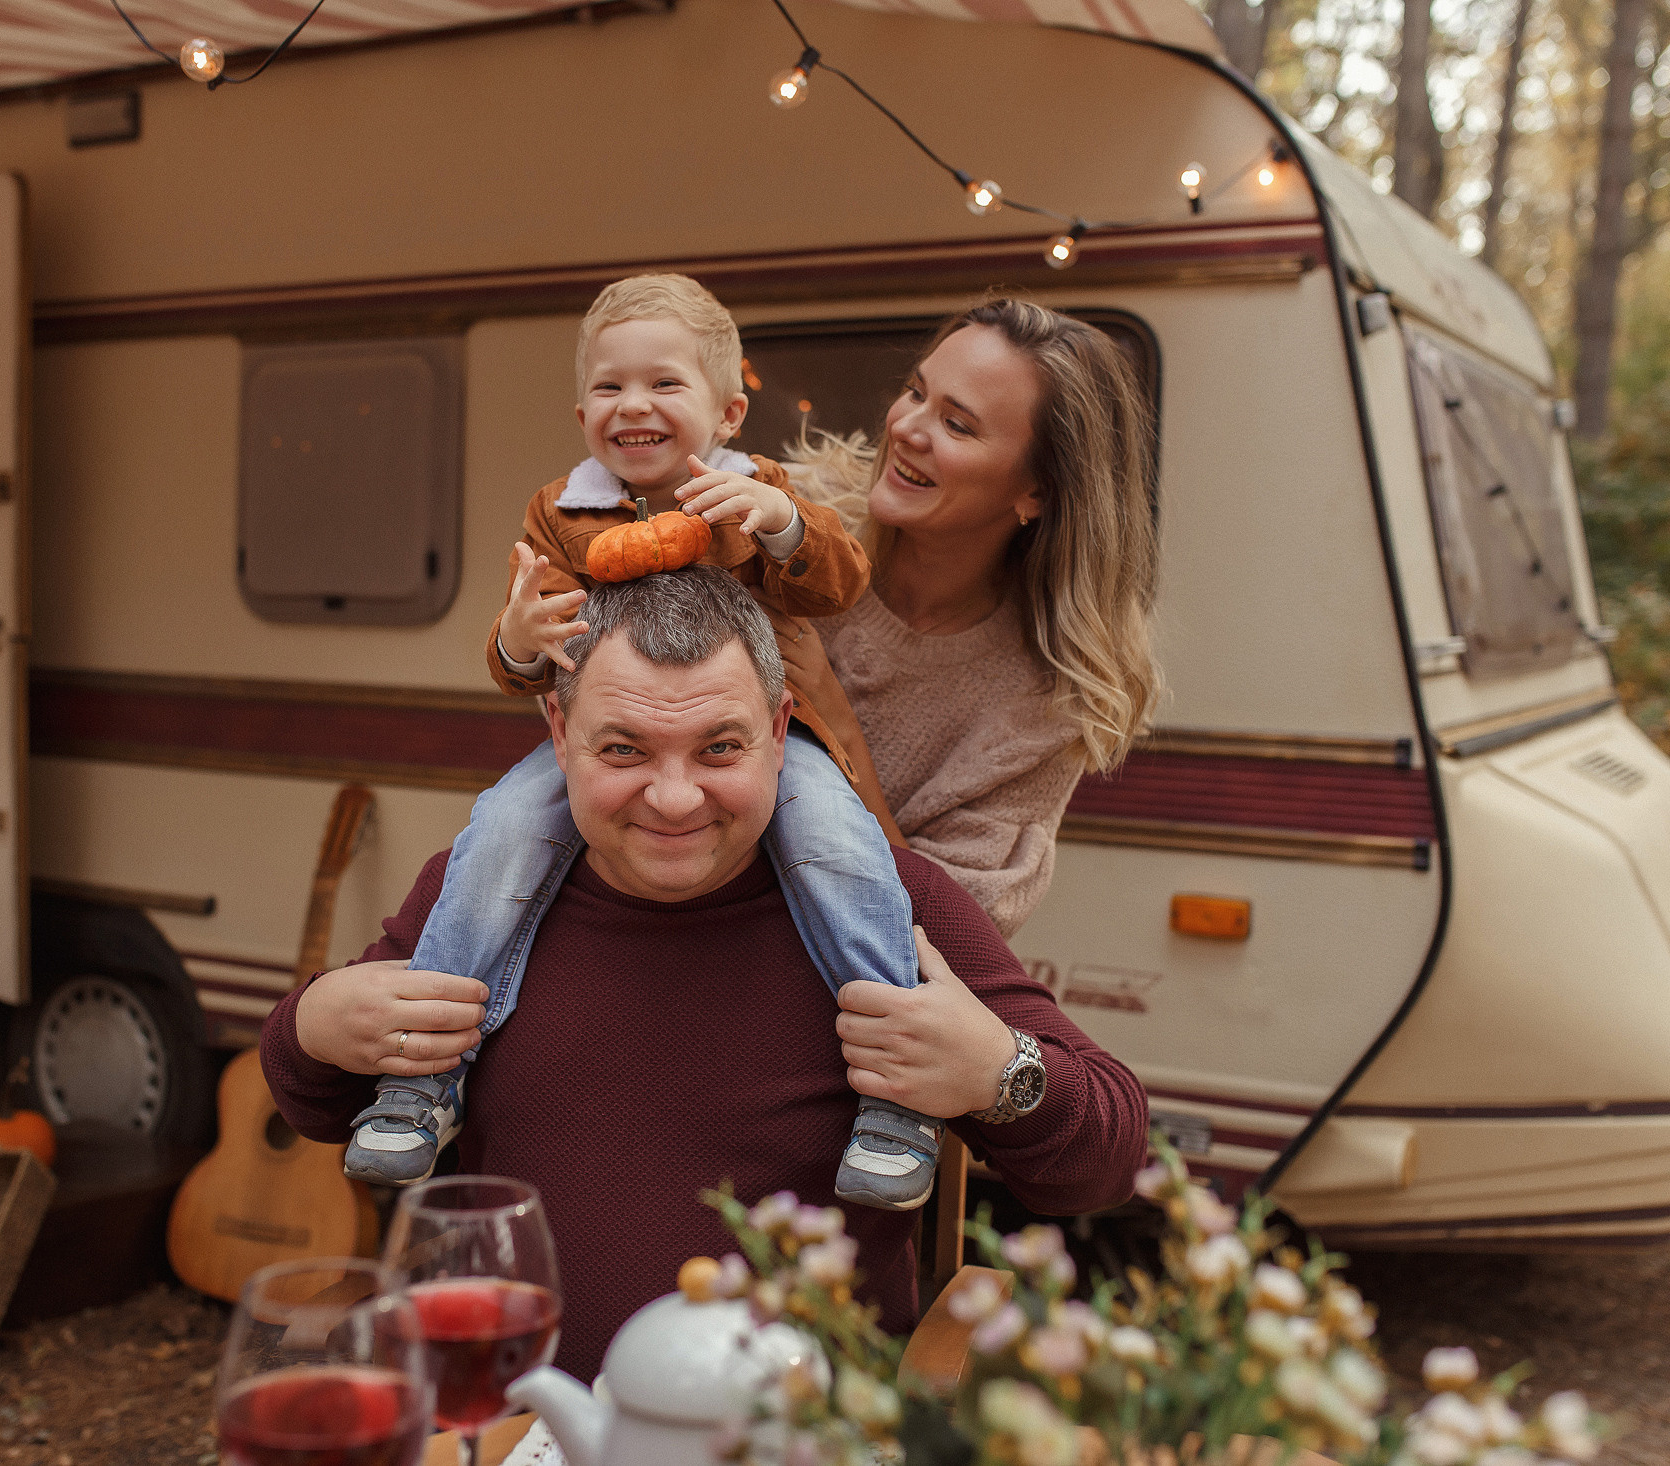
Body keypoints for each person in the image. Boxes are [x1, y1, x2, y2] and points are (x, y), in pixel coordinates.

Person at [259, 567, 1149, 1382]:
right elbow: (326, 1109)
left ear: (779, 731)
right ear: (559, 734)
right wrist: (310, 1026)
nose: (676, 798)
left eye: (719, 748)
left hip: (797, 1432)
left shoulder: (894, 906)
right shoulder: (480, 900)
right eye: (625, 751)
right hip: (531, 1421)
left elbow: (1107, 1162)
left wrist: (1002, 1074)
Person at [341, 274, 948, 1212]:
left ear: (728, 408)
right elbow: (525, 656)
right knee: (501, 827)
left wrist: (784, 531)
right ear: (581, 410)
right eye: (611, 388)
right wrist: (518, 641)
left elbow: (840, 585)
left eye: (664, 384)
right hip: (607, 746)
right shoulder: (561, 512)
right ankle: (423, 1081)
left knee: (833, 838)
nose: (635, 406)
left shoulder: (753, 490)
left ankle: (897, 1089)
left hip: (750, 748)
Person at [788, 297, 1161, 936]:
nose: (905, 428)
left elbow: (945, 934)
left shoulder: (1045, 702)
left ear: (1037, 491)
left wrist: (835, 720)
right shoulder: (793, 534)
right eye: (915, 392)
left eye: (958, 426)